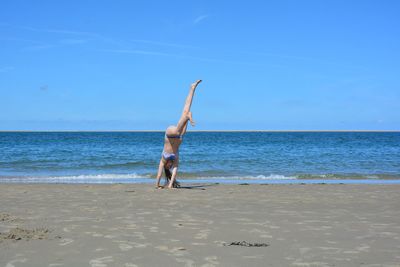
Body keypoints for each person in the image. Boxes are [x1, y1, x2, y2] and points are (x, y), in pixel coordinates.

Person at [155, 80, 202, 189]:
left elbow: (158, 174)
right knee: (186, 108)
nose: (170, 166)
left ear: (166, 167)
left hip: (170, 133)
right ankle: (192, 88)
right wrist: (170, 185)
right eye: (171, 166)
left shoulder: (163, 160)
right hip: (179, 135)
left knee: (178, 128)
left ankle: (187, 117)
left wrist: (157, 185)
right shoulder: (175, 160)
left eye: (169, 167)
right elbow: (174, 173)